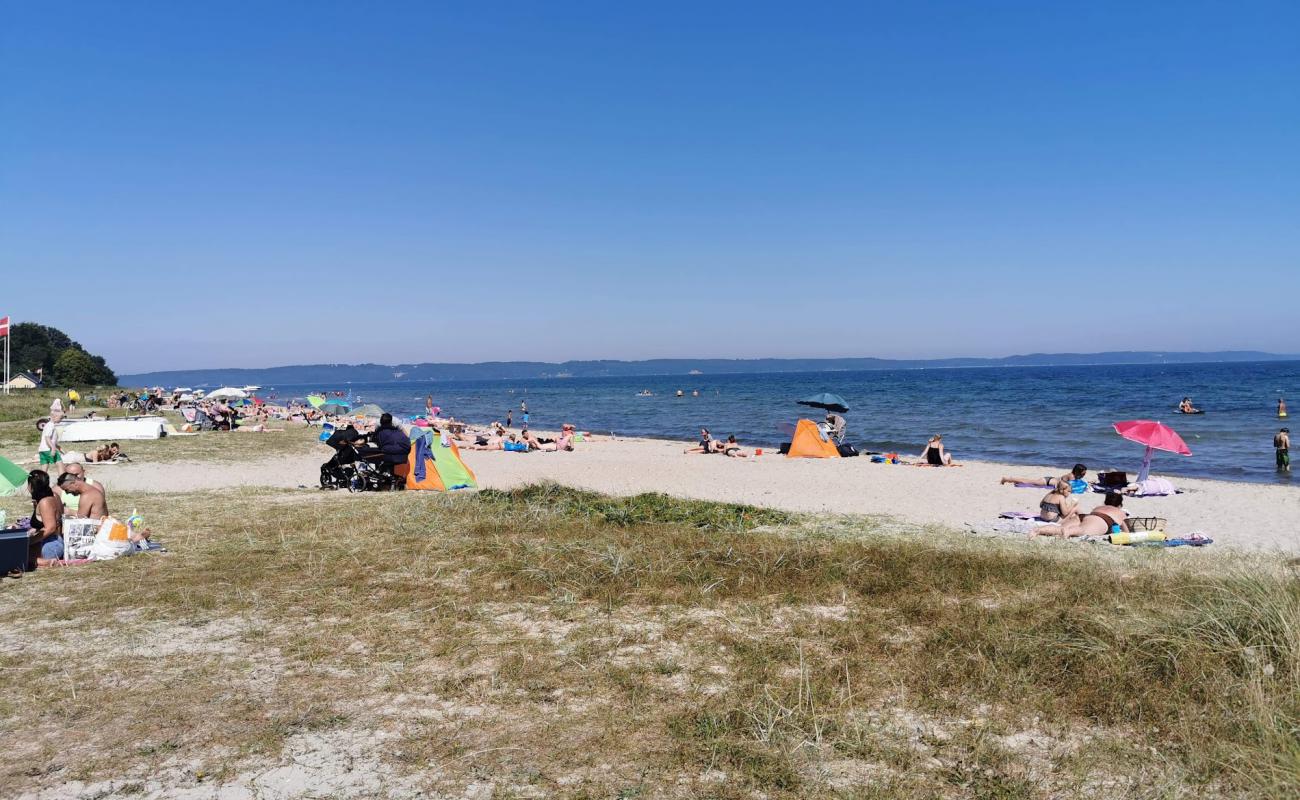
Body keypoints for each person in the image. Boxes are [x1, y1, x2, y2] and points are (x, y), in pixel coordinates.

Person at [1032, 492, 1129, 539]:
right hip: (1101, 519)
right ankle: (1068, 532)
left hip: (1089, 516)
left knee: (1060, 528)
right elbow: (1126, 529)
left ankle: (1040, 529)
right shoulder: (1120, 512)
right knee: (1082, 530)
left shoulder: (1099, 507)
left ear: (1105, 501)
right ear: (1120, 505)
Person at [26, 470, 65, 567]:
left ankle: (46, 562)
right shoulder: (54, 496)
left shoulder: (44, 502)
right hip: (55, 541)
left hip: (49, 545)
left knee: (13, 554)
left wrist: (31, 541)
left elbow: (51, 527)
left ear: (31, 485)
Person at [1000, 464, 1088, 488]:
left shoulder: (1074, 476)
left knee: (1028, 481)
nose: (1084, 474)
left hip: (1050, 479)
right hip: (1047, 481)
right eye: (1083, 473)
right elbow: (1072, 487)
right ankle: (1007, 478)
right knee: (1027, 481)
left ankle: (1010, 479)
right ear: (1078, 471)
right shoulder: (1071, 476)